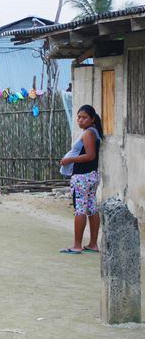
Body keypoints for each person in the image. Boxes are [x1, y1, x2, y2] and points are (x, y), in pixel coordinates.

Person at [59, 104, 103, 254]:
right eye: (78, 117)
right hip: (91, 175)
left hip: (82, 177)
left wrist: (69, 160)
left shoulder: (88, 133)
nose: (80, 120)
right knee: (91, 208)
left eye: (84, 117)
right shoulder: (94, 132)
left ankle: (77, 245)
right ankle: (93, 244)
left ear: (92, 119)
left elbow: (90, 156)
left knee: (80, 209)